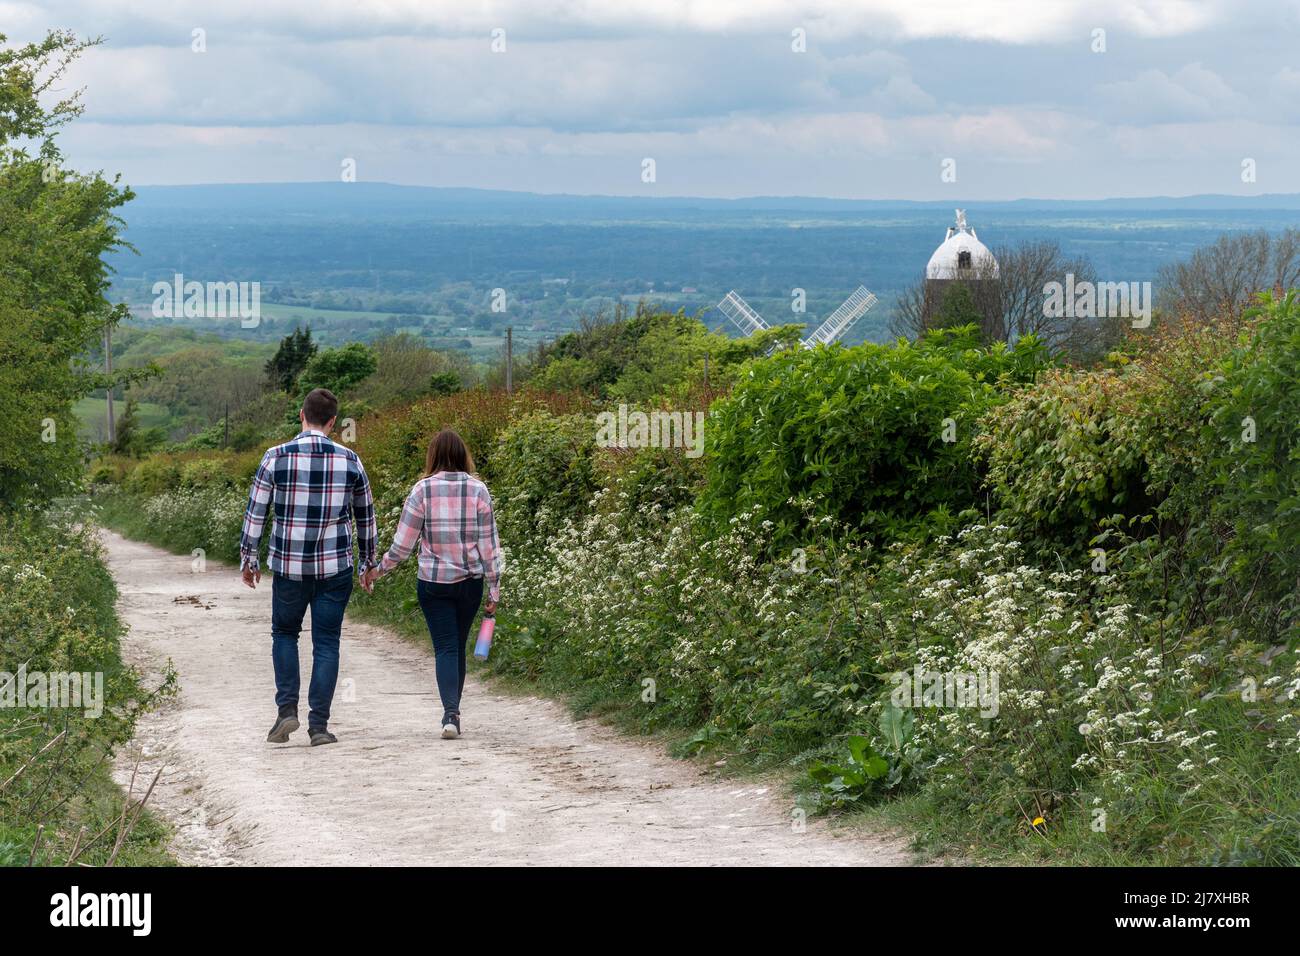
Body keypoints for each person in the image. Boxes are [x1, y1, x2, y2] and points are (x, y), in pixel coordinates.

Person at [238, 387, 378, 747]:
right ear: (333, 421)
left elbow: (256, 512)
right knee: (326, 642)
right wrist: (368, 562)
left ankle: (287, 711)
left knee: (285, 634)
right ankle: (319, 727)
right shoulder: (350, 460)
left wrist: (249, 559)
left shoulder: (276, 457)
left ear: (301, 415)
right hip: (335, 567)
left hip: (289, 566)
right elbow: (366, 517)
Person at [373, 428, 501, 739]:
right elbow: (489, 546)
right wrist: (494, 587)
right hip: (470, 582)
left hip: (433, 583)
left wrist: (378, 570)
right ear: (463, 456)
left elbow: (403, 546)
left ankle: (450, 714)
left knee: (445, 646)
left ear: (433, 457)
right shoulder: (479, 491)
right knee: (456, 644)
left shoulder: (422, 491)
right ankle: (452, 713)